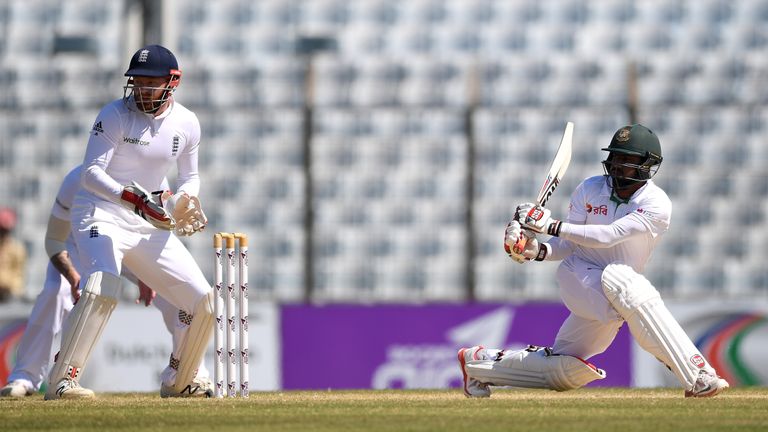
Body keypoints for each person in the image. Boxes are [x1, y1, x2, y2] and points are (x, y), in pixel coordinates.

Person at [458, 124, 729, 398]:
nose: (617, 165)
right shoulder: (590, 188)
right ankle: (698, 375)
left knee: (563, 370)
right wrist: (535, 249)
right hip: (578, 277)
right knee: (623, 280)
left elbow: (609, 235)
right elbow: (569, 245)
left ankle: (478, 365)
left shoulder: (656, 203)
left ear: (648, 165)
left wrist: (549, 226)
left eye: (627, 160)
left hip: (617, 294)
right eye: (615, 157)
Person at [44, 44, 211, 400]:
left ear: (172, 82)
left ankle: (181, 378)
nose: (142, 90)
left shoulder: (187, 122)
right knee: (102, 283)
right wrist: (133, 199)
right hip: (101, 211)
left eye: (151, 83)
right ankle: (63, 380)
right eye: (138, 82)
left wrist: (182, 200)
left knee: (204, 303)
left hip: (147, 221)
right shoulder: (115, 114)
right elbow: (90, 173)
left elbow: (190, 177)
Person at [0, 166, 210, 398]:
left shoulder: (155, 179)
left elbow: (155, 238)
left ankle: (188, 374)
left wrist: (146, 275)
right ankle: (24, 377)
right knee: (55, 292)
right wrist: (70, 274)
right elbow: (54, 239)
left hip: (134, 246)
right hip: (80, 246)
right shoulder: (77, 179)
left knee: (181, 296)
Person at [0, 207, 26, 302]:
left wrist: (7, 285)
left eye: (5, 231)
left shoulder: (17, 249)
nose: (3, 234)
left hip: (9, 295)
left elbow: (18, 277)